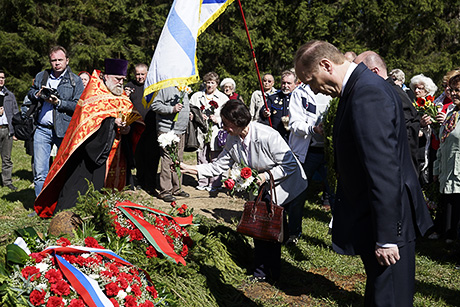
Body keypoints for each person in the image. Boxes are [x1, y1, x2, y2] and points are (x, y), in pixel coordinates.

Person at [294, 40, 432, 306]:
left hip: (389, 224)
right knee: (380, 294)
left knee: (389, 299)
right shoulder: (357, 89)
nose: (313, 89)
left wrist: (387, 236)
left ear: (326, 65)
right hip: (376, 217)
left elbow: (383, 168)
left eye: (311, 80)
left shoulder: (367, 93)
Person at [180, 99, 307, 282]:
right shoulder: (233, 138)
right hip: (262, 184)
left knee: (270, 225)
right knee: (263, 225)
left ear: (239, 122)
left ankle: (270, 271)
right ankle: (262, 271)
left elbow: (290, 165)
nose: (223, 127)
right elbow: (218, 166)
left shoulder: (267, 135)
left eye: (226, 123)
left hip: (285, 182)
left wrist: (265, 176)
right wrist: (190, 168)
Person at [33, 59, 141, 218]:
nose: (121, 83)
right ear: (105, 76)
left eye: (123, 79)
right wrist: (111, 123)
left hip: (119, 155)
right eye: (117, 79)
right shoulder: (93, 95)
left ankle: (113, 216)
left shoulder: (123, 96)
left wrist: (127, 129)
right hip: (94, 154)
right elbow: (87, 125)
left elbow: (133, 120)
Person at [27, 46, 84, 198]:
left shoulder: (75, 81)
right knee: (40, 171)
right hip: (42, 129)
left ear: (67, 61)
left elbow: (78, 105)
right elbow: (31, 92)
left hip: (64, 129)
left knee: (66, 168)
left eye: (60, 60)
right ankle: (41, 205)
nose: (57, 63)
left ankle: (64, 202)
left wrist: (59, 102)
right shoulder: (41, 76)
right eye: (54, 60)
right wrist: (38, 94)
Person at [354, 51, 421, 172]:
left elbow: (405, 134)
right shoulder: (386, 92)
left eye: (360, 74)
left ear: (374, 71)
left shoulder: (392, 94)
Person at [288, 82, 332, 218]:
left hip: (329, 151)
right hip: (307, 152)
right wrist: (313, 129)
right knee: (298, 192)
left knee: (335, 193)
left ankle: (338, 234)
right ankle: (293, 233)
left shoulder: (332, 89)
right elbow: (294, 124)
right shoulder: (299, 92)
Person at [189, 71, 228, 191]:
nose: (210, 85)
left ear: (217, 84)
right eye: (208, 82)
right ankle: (202, 182)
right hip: (201, 131)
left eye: (212, 83)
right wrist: (196, 116)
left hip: (216, 132)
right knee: (201, 156)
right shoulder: (197, 96)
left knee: (215, 156)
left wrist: (218, 119)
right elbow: (190, 111)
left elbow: (229, 114)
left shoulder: (223, 98)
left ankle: (215, 183)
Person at [125, 63, 160, 195]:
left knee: (152, 156)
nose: (140, 77)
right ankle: (140, 180)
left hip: (152, 127)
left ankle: (151, 183)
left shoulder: (153, 86)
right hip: (136, 128)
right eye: (137, 74)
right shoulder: (129, 87)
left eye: (142, 74)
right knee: (139, 156)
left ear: (147, 74)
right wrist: (125, 95)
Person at [433, 74, 460, 244]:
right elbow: (443, 144)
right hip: (449, 173)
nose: (454, 93)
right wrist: (437, 170)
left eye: (458, 90)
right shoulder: (452, 114)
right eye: (452, 90)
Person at [150, 86, 190, 203]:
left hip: (180, 130)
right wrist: (172, 109)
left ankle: (176, 188)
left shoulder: (184, 88)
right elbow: (155, 105)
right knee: (167, 159)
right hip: (167, 129)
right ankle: (165, 191)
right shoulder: (166, 87)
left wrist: (189, 113)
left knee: (178, 158)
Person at [409, 74, 438, 185]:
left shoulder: (433, 105)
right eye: (415, 88)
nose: (416, 91)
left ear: (427, 90)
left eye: (420, 88)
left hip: (431, 148)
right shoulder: (412, 105)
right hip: (417, 147)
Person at [260, 70, 298, 142]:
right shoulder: (273, 97)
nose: (286, 86)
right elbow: (263, 110)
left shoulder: (298, 98)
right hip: (276, 138)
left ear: (295, 84)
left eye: (289, 83)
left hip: (294, 139)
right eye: (284, 83)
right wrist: (265, 113)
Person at [0, 70, 19, 190]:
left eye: (2, 78)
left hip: (7, 130)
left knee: (7, 158)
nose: (1, 80)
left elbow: (16, 113)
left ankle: (7, 181)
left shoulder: (10, 95)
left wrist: (15, 131)